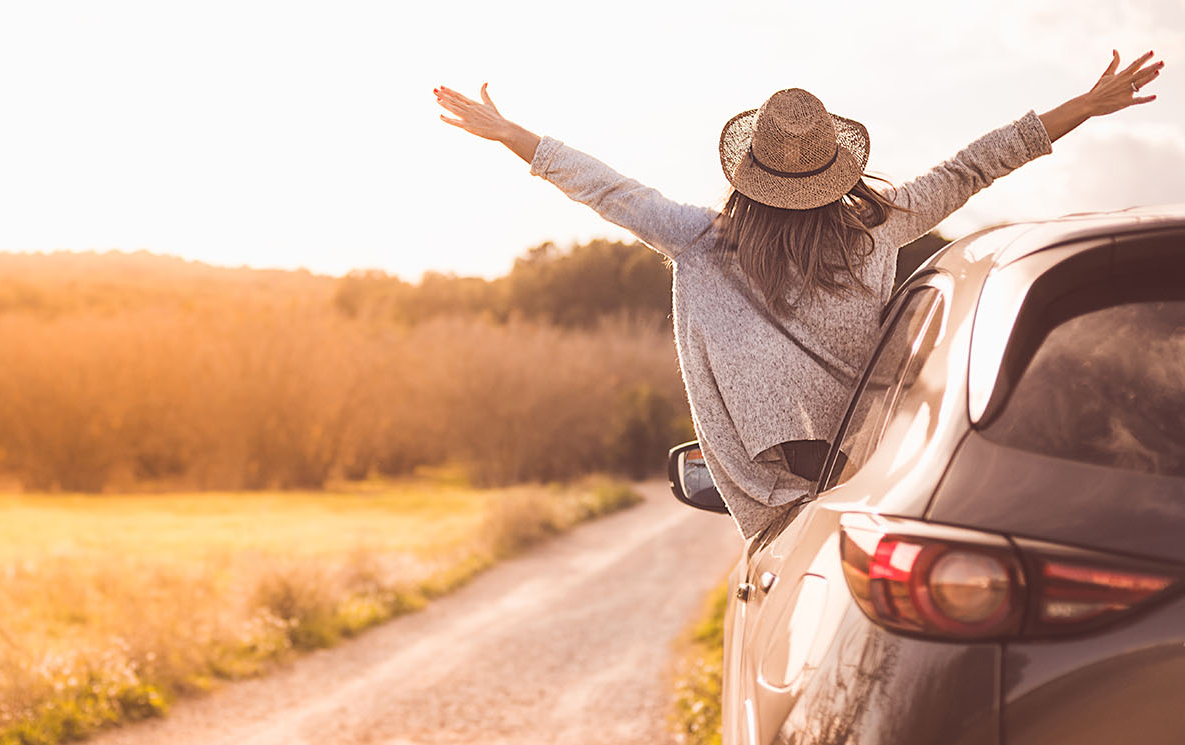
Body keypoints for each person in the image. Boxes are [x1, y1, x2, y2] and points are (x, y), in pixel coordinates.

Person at [434, 50, 1164, 539]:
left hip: (784, 514)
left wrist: (513, 136)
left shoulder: (698, 241)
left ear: (749, 170)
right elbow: (977, 164)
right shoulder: (880, 229)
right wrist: (1082, 106)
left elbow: (608, 189)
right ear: (835, 169)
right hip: (881, 490)